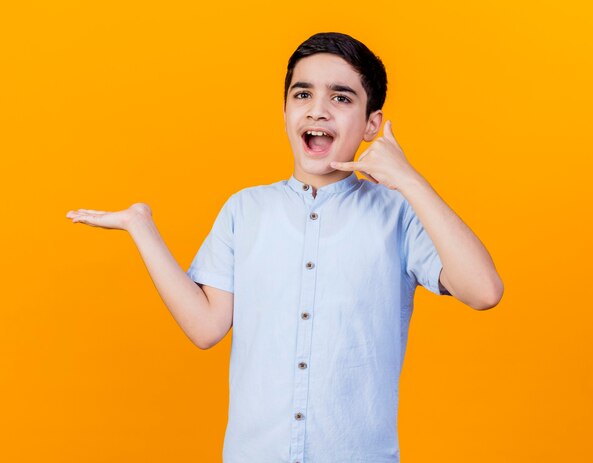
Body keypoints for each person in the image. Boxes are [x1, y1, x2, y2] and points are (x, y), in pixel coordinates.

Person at [66, 32, 503, 463]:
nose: (318, 109)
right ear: (286, 110)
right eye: (302, 94)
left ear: (373, 123)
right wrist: (140, 227)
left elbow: (483, 291)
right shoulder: (245, 210)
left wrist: (409, 180)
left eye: (341, 98)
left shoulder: (398, 214)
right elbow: (205, 328)